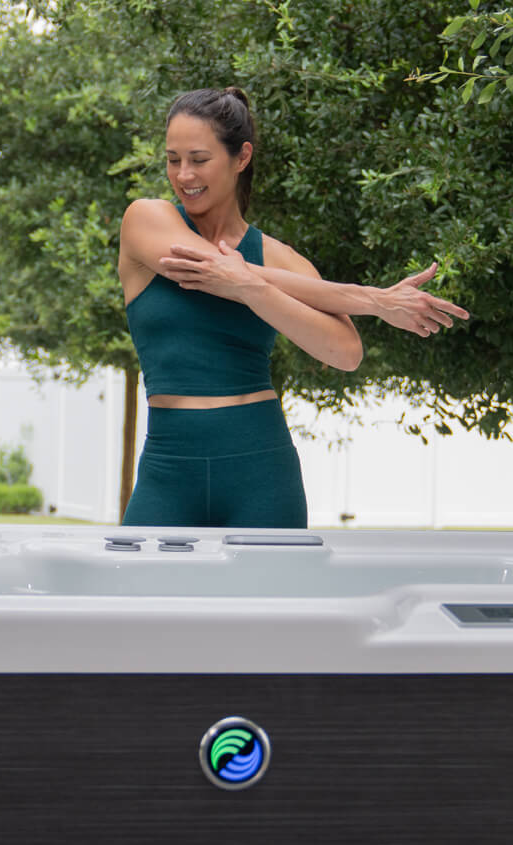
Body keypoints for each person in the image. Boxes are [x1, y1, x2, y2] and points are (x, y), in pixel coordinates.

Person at [118, 87, 469, 529]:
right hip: (168, 468)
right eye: (173, 160)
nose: (184, 175)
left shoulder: (281, 258)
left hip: (260, 471)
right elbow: (211, 268)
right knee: (138, 577)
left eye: (199, 159)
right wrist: (375, 299)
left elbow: (346, 353)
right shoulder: (146, 220)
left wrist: (252, 289)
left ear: (241, 157)